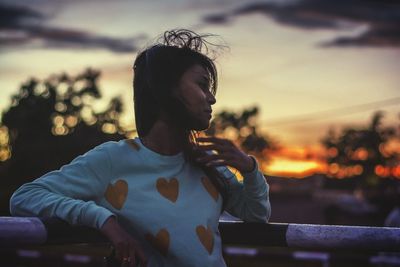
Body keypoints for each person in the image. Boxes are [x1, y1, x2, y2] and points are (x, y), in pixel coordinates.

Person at [10, 29, 271, 267]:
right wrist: (104, 220)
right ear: (166, 89)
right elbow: (25, 198)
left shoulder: (207, 163)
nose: (212, 98)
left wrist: (248, 168)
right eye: (202, 85)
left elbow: (257, 216)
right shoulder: (113, 160)